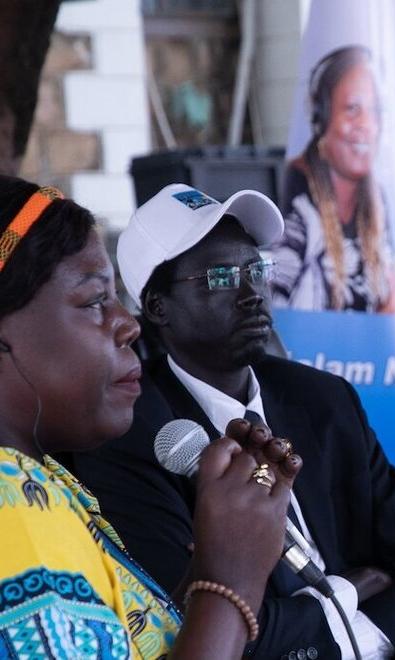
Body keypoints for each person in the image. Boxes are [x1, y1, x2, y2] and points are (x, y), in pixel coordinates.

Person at [72, 184, 395, 660]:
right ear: (157, 307)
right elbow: (196, 630)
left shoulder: (324, 400)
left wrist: (343, 635)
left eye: (256, 269)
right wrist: (350, 591)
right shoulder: (131, 438)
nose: (252, 294)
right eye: (220, 277)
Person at [0, 175, 302, 658]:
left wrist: (211, 561)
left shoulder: (44, 478)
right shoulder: (11, 514)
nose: (128, 324)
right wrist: (230, 582)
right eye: (94, 301)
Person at [273, 45, 395, 313]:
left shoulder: (377, 200)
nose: (366, 125)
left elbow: (393, 299)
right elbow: (275, 304)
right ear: (321, 117)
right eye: (353, 108)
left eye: (375, 111)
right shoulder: (297, 199)